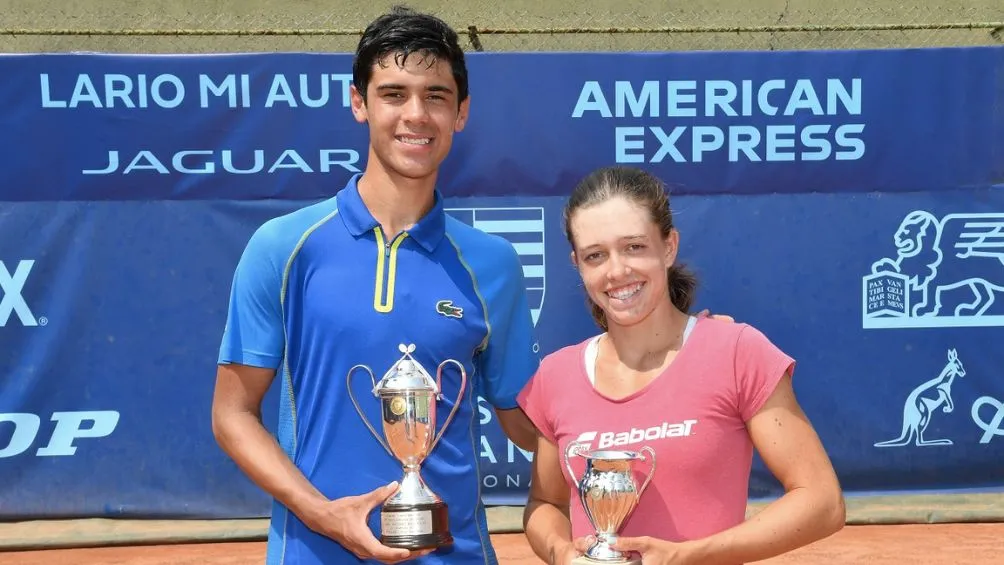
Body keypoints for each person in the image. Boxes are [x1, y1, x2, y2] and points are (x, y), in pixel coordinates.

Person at [210, 6, 540, 565]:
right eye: (394, 93)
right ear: (359, 102)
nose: (416, 114)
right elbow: (232, 414)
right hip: (313, 552)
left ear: (461, 113)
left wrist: (647, 368)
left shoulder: (494, 264)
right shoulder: (283, 247)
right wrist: (323, 514)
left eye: (436, 95)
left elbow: (527, 425)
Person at [517, 166, 845, 565]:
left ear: (668, 247)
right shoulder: (557, 374)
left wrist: (687, 556)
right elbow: (545, 503)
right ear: (577, 264)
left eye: (634, 247)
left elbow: (822, 501)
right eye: (595, 255)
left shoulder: (736, 351)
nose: (616, 271)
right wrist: (562, 553)